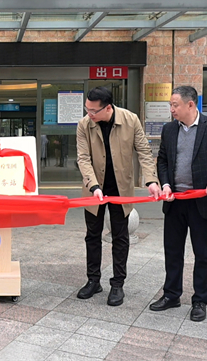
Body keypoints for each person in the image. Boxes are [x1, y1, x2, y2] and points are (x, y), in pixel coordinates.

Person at [149, 86, 207, 321]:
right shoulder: (170, 129)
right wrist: (166, 184)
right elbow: (163, 160)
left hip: (203, 202)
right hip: (175, 201)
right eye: (170, 105)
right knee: (172, 251)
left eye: (175, 105)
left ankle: (200, 301)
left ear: (190, 104)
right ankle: (171, 295)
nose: (171, 110)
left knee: (202, 254)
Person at [76, 86, 161, 306]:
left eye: (93, 111)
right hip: (94, 189)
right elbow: (83, 158)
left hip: (121, 189)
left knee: (120, 237)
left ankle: (117, 284)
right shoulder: (84, 125)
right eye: (87, 109)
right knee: (92, 235)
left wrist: (151, 180)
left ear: (108, 108)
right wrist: (94, 186)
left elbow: (144, 152)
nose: (89, 114)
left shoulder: (130, 120)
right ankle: (93, 280)